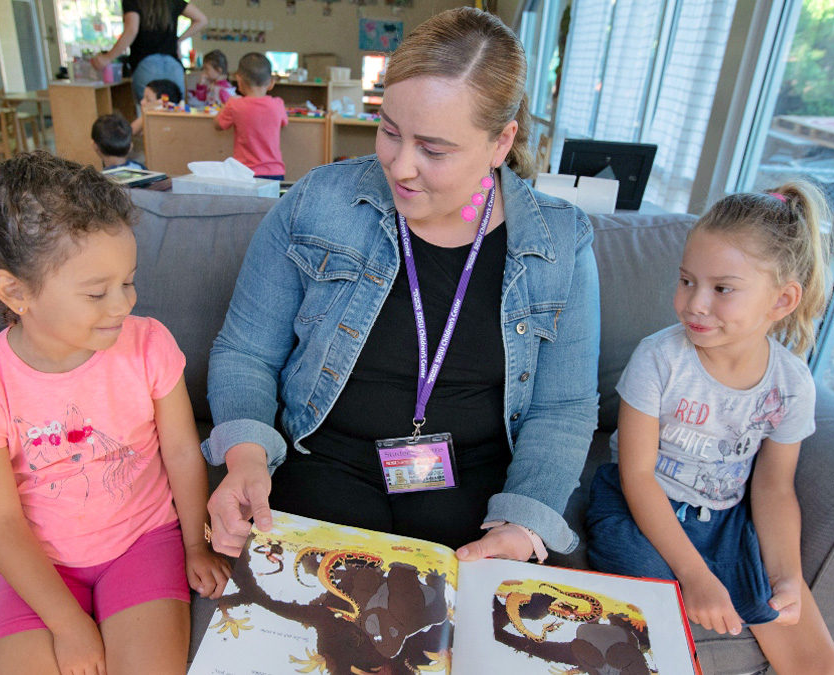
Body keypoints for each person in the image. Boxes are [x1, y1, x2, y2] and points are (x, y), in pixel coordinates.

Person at [203, 8, 600, 565]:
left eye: (434, 150)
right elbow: (246, 351)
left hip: (476, 490)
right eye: (389, 130)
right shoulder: (319, 201)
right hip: (325, 461)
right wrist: (244, 457)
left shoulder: (559, 241)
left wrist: (524, 521)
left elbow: (563, 407)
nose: (400, 167)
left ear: (500, 142)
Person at [0, 151, 230, 675]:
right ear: (15, 291)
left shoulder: (149, 344)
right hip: (38, 564)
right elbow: (2, 522)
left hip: (143, 543)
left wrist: (197, 543)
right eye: (97, 292)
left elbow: (182, 450)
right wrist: (70, 626)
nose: (122, 305)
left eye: (128, 281)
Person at [584, 181, 834, 675]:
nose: (694, 304)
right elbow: (636, 478)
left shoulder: (792, 384)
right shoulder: (658, 358)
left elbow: (773, 488)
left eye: (722, 289)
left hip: (723, 521)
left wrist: (787, 575)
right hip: (639, 505)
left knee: (818, 660)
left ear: (783, 300)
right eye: (687, 281)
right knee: (649, 604)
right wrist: (693, 575)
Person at [92, 0, 207, 106]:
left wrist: (108, 57)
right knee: (174, 118)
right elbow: (201, 19)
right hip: (173, 67)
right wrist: (178, 39)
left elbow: (131, 29)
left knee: (149, 120)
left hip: (146, 66)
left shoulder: (133, 1)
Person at [213, 53, 288, 181]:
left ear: (239, 81)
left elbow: (218, 125)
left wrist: (227, 104)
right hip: (274, 172)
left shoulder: (234, 104)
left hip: (243, 172)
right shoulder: (278, 104)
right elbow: (284, 123)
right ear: (271, 83)